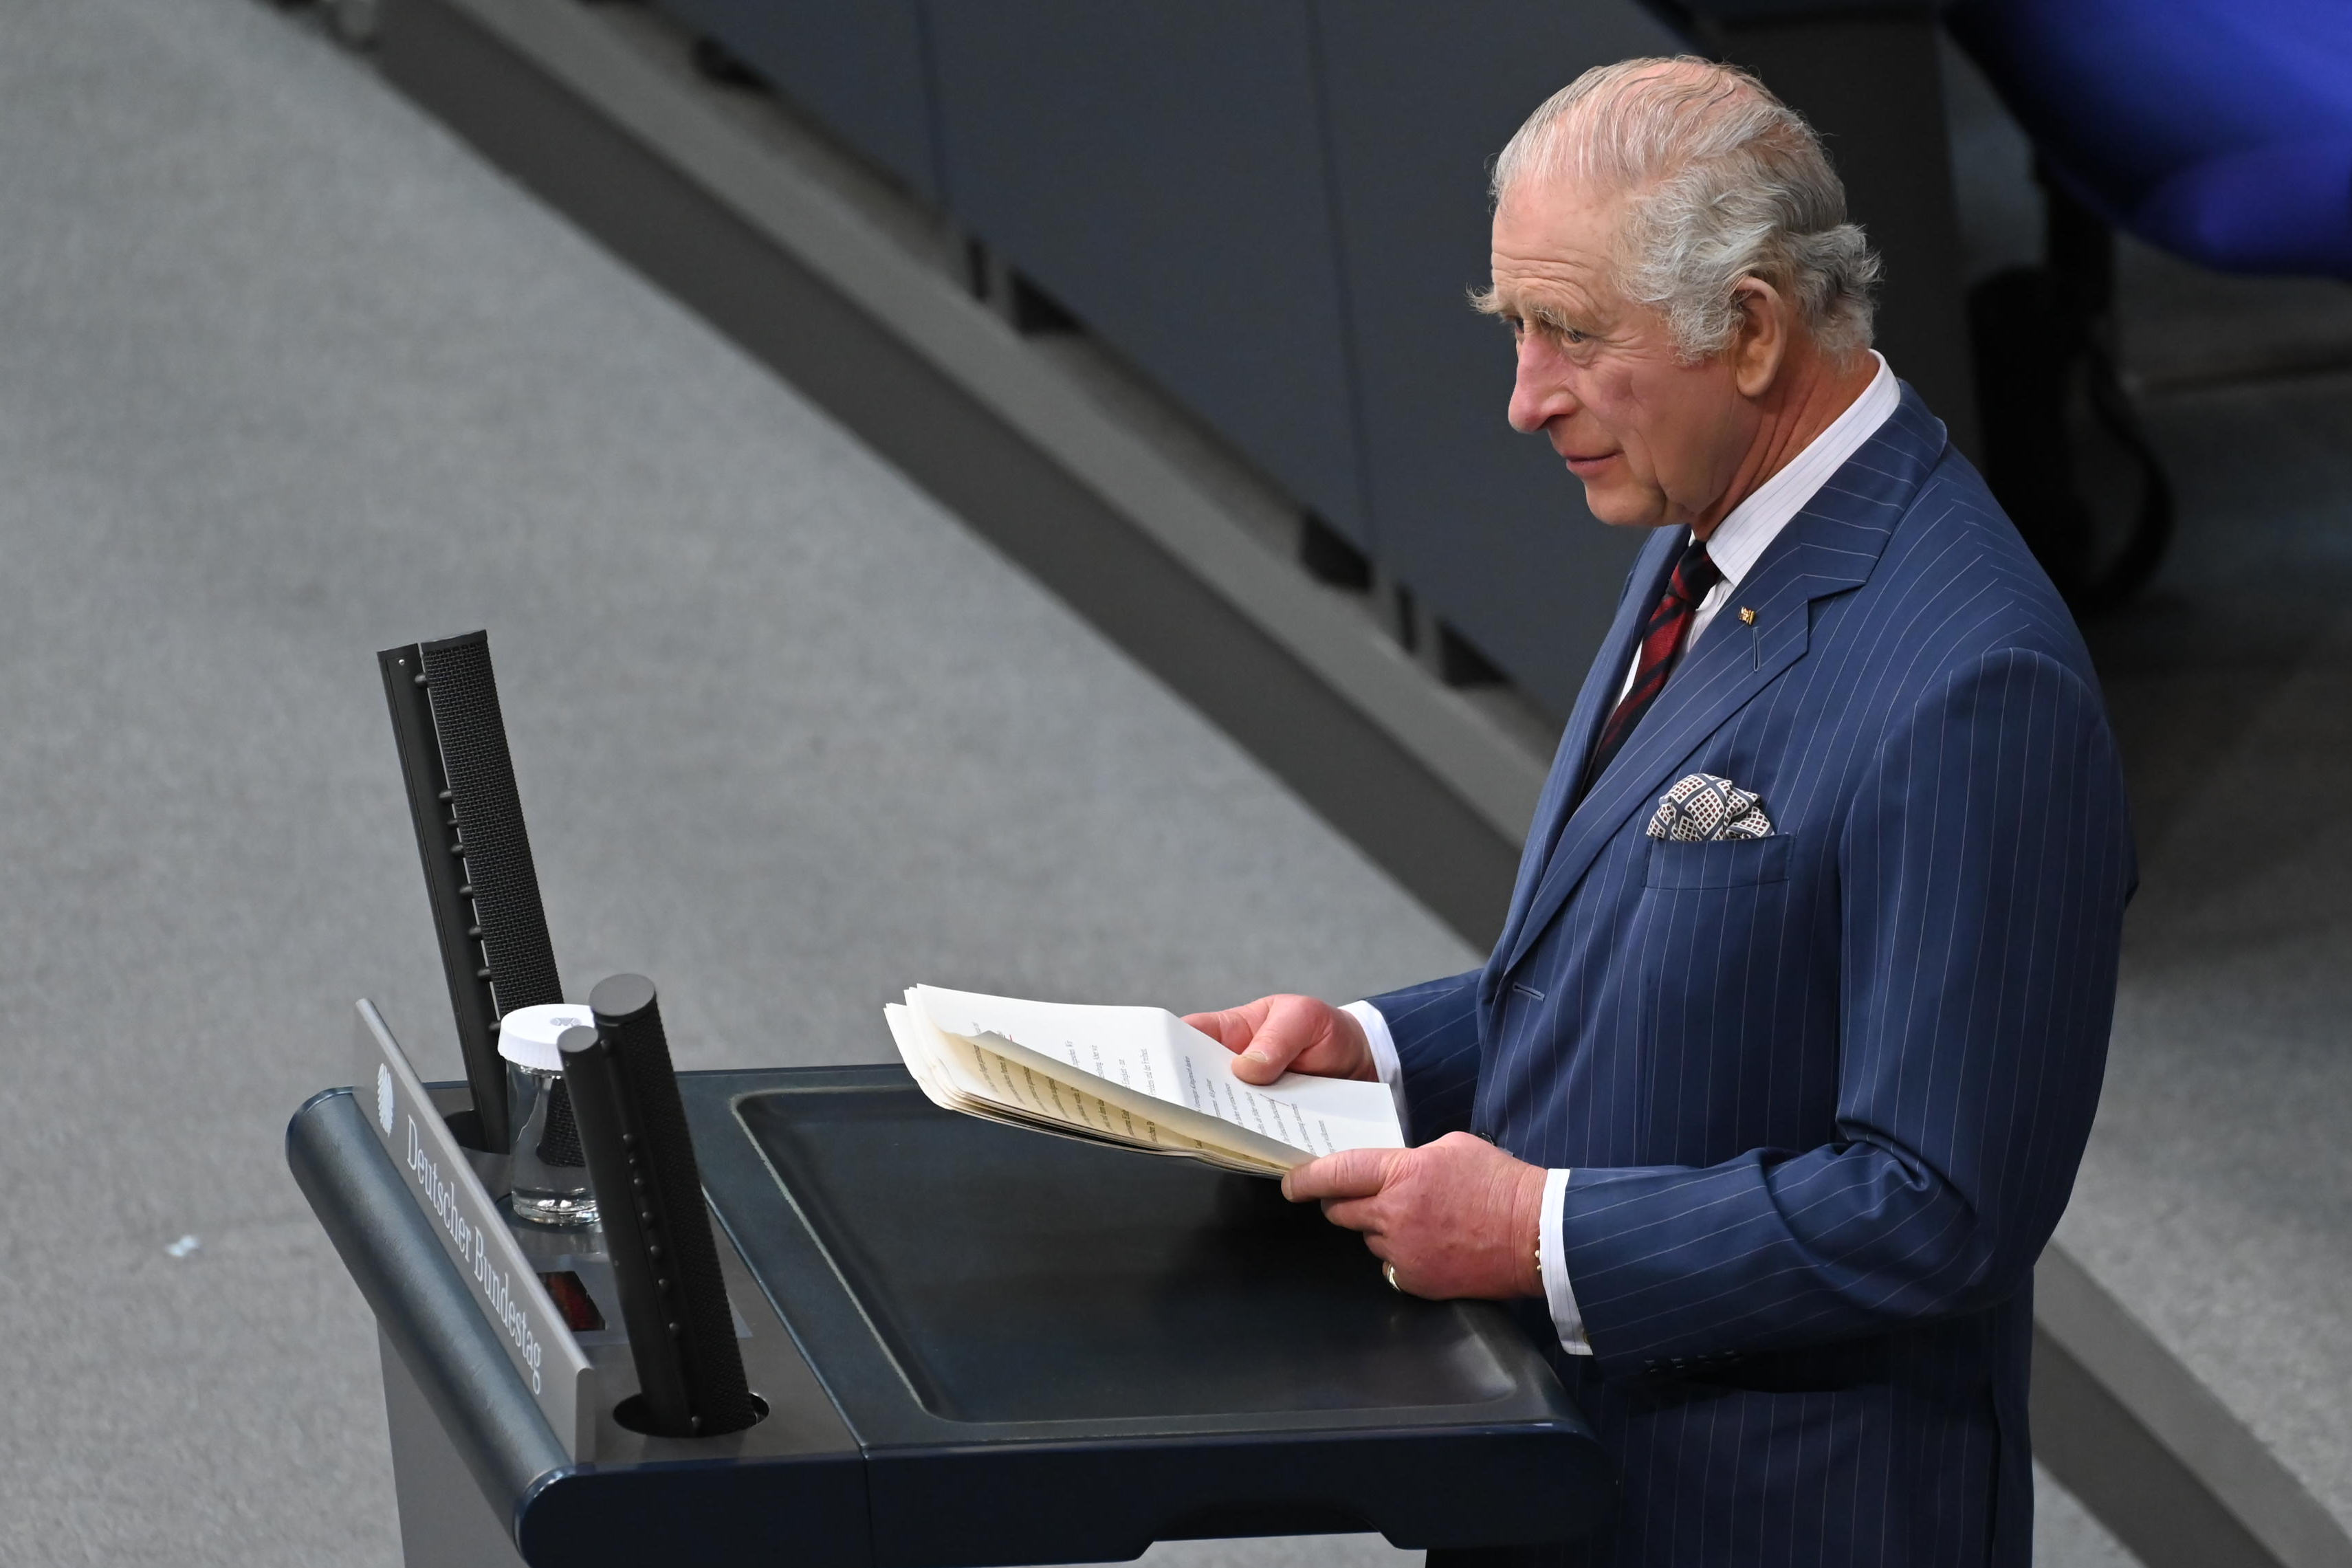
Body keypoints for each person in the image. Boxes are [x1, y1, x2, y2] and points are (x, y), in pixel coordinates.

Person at [1185, 57, 2133, 1568]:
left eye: (1569, 334)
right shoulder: (1713, 523)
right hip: (1578, 1475)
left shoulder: (1975, 682)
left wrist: (1536, 1235)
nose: (1523, 398)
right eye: (1515, 331)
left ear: (1751, 330)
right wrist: (1370, 1046)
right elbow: (1660, 977)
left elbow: (1935, 1205)